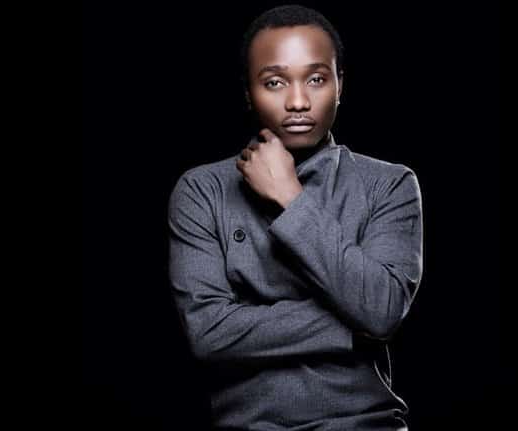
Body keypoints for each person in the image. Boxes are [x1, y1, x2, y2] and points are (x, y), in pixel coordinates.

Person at [168, 5, 423, 430]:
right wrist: (350, 324)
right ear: (248, 92)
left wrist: (290, 196)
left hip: (366, 424)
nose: (299, 101)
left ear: (340, 85)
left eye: (317, 79)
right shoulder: (202, 190)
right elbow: (208, 333)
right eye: (275, 82)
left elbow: (381, 310)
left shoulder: (389, 184)